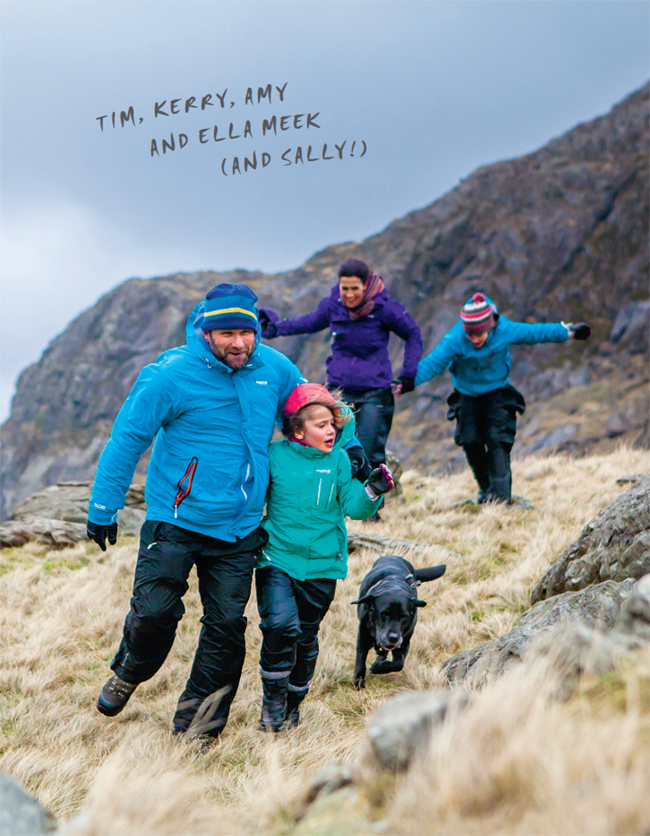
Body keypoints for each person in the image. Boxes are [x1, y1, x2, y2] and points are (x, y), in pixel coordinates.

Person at [86, 282, 305, 740]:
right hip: (176, 518)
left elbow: (313, 407)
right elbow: (128, 438)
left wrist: (351, 448)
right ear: (206, 331)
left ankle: (196, 733)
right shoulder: (170, 374)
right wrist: (104, 505)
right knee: (154, 614)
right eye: (226, 333)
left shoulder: (275, 370)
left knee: (226, 629)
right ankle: (130, 670)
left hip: (239, 527)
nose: (239, 343)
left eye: (246, 332)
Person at [254, 383, 394, 732]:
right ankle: (272, 703)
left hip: (322, 566)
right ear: (298, 430)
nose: (331, 430)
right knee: (279, 626)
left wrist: (373, 490)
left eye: (333, 424)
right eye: (321, 424)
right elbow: (252, 497)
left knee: (304, 635)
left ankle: (294, 702)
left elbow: (354, 507)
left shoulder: (339, 462)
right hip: (277, 559)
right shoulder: (274, 456)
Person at [259, 258, 422, 513]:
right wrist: (273, 329)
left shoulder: (385, 308)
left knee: (368, 450)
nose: (348, 294)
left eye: (354, 288)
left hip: (374, 392)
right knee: (333, 448)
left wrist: (409, 373)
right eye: (344, 288)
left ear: (366, 286)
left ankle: (371, 510)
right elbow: (307, 322)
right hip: (338, 391)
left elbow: (413, 333)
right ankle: (334, 504)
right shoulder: (333, 306)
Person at [411, 293, 591, 504]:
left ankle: (501, 500)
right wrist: (406, 381)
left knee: (497, 441)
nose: (475, 339)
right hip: (467, 394)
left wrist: (568, 332)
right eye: (471, 335)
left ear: (489, 326)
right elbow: (432, 363)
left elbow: (535, 332)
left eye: (480, 334)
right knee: (469, 441)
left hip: (497, 391)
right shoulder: (455, 339)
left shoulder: (504, 329)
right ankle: (486, 488)